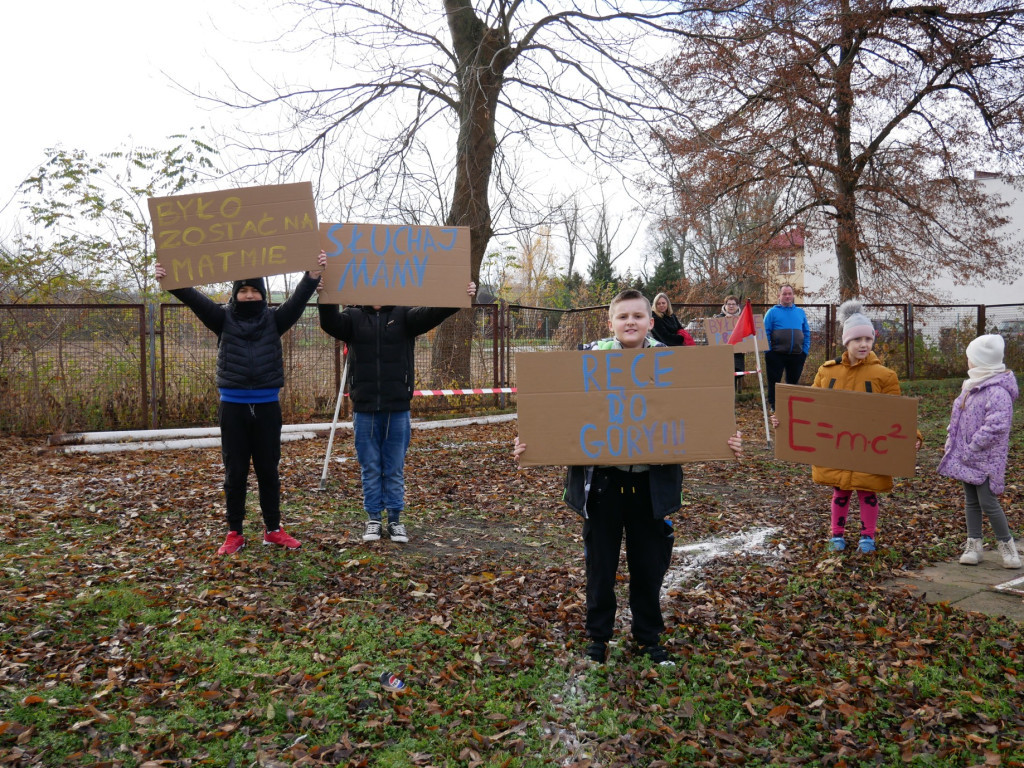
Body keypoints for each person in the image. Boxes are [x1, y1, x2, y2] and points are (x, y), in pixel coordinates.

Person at [513, 289, 743, 665]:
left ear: (650, 321)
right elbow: (555, 409)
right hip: (602, 486)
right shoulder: (587, 362)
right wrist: (532, 442)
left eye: (638, 316)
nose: (631, 322)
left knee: (649, 566)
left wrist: (724, 438)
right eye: (623, 317)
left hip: (650, 486)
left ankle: (648, 635)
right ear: (611, 324)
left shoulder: (672, 364)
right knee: (600, 567)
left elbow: (697, 415)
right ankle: (598, 637)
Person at [154, 254, 325, 555]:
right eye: (243, 291)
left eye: (254, 290)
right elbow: (194, 298)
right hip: (233, 407)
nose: (249, 295)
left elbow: (298, 301)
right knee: (235, 472)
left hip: (267, 407)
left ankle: (273, 529)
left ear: (263, 294)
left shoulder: (274, 319)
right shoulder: (222, 317)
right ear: (235, 294)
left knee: (268, 470)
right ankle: (235, 532)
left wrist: (311, 276)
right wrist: (171, 280)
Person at [317, 262, 477, 544]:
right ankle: (373, 520)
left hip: (397, 407)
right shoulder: (352, 317)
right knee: (370, 466)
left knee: (393, 466)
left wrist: (458, 295)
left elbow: (434, 313)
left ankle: (395, 520)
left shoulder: (404, 316)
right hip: (365, 407)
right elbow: (329, 323)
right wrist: (325, 298)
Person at [773, 300, 921, 553]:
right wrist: (784, 420)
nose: (863, 344)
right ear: (846, 342)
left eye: (868, 339)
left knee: (868, 493)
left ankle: (867, 537)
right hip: (837, 446)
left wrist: (912, 435)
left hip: (870, 448)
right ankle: (837, 535)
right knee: (840, 492)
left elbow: (897, 413)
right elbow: (810, 406)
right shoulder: (828, 372)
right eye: (857, 339)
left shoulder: (884, 376)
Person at [937, 334, 1021, 569]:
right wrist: (951, 440)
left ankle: (1007, 546)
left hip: (985, 459)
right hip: (966, 457)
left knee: (988, 501)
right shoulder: (970, 387)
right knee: (971, 501)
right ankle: (974, 543)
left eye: (970, 359)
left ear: (981, 362)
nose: (968, 363)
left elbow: (997, 425)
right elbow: (957, 419)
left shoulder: (997, 391)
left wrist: (973, 446)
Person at [763, 284, 810, 410]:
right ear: (779, 296)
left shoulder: (800, 312)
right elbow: (765, 332)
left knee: (793, 383)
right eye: (784, 294)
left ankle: (791, 405)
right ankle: (774, 405)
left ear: (793, 295)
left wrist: (804, 351)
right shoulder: (772, 312)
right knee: (774, 382)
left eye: (789, 294)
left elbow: (806, 332)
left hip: (797, 355)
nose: (787, 296)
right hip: (776, 354)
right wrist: (768, 351)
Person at [715, 294, 746, 392]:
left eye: (733, 304)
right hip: (722, 354)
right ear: (725, 305)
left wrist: (747, 347)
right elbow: (713, 336)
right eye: (729, 304)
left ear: (737, 306)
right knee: (724, 378)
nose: (731, 306)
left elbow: (747, 336)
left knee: (735, 376)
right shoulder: (717, 319)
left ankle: (733, 401)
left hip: (738, 354)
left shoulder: (743, 319)